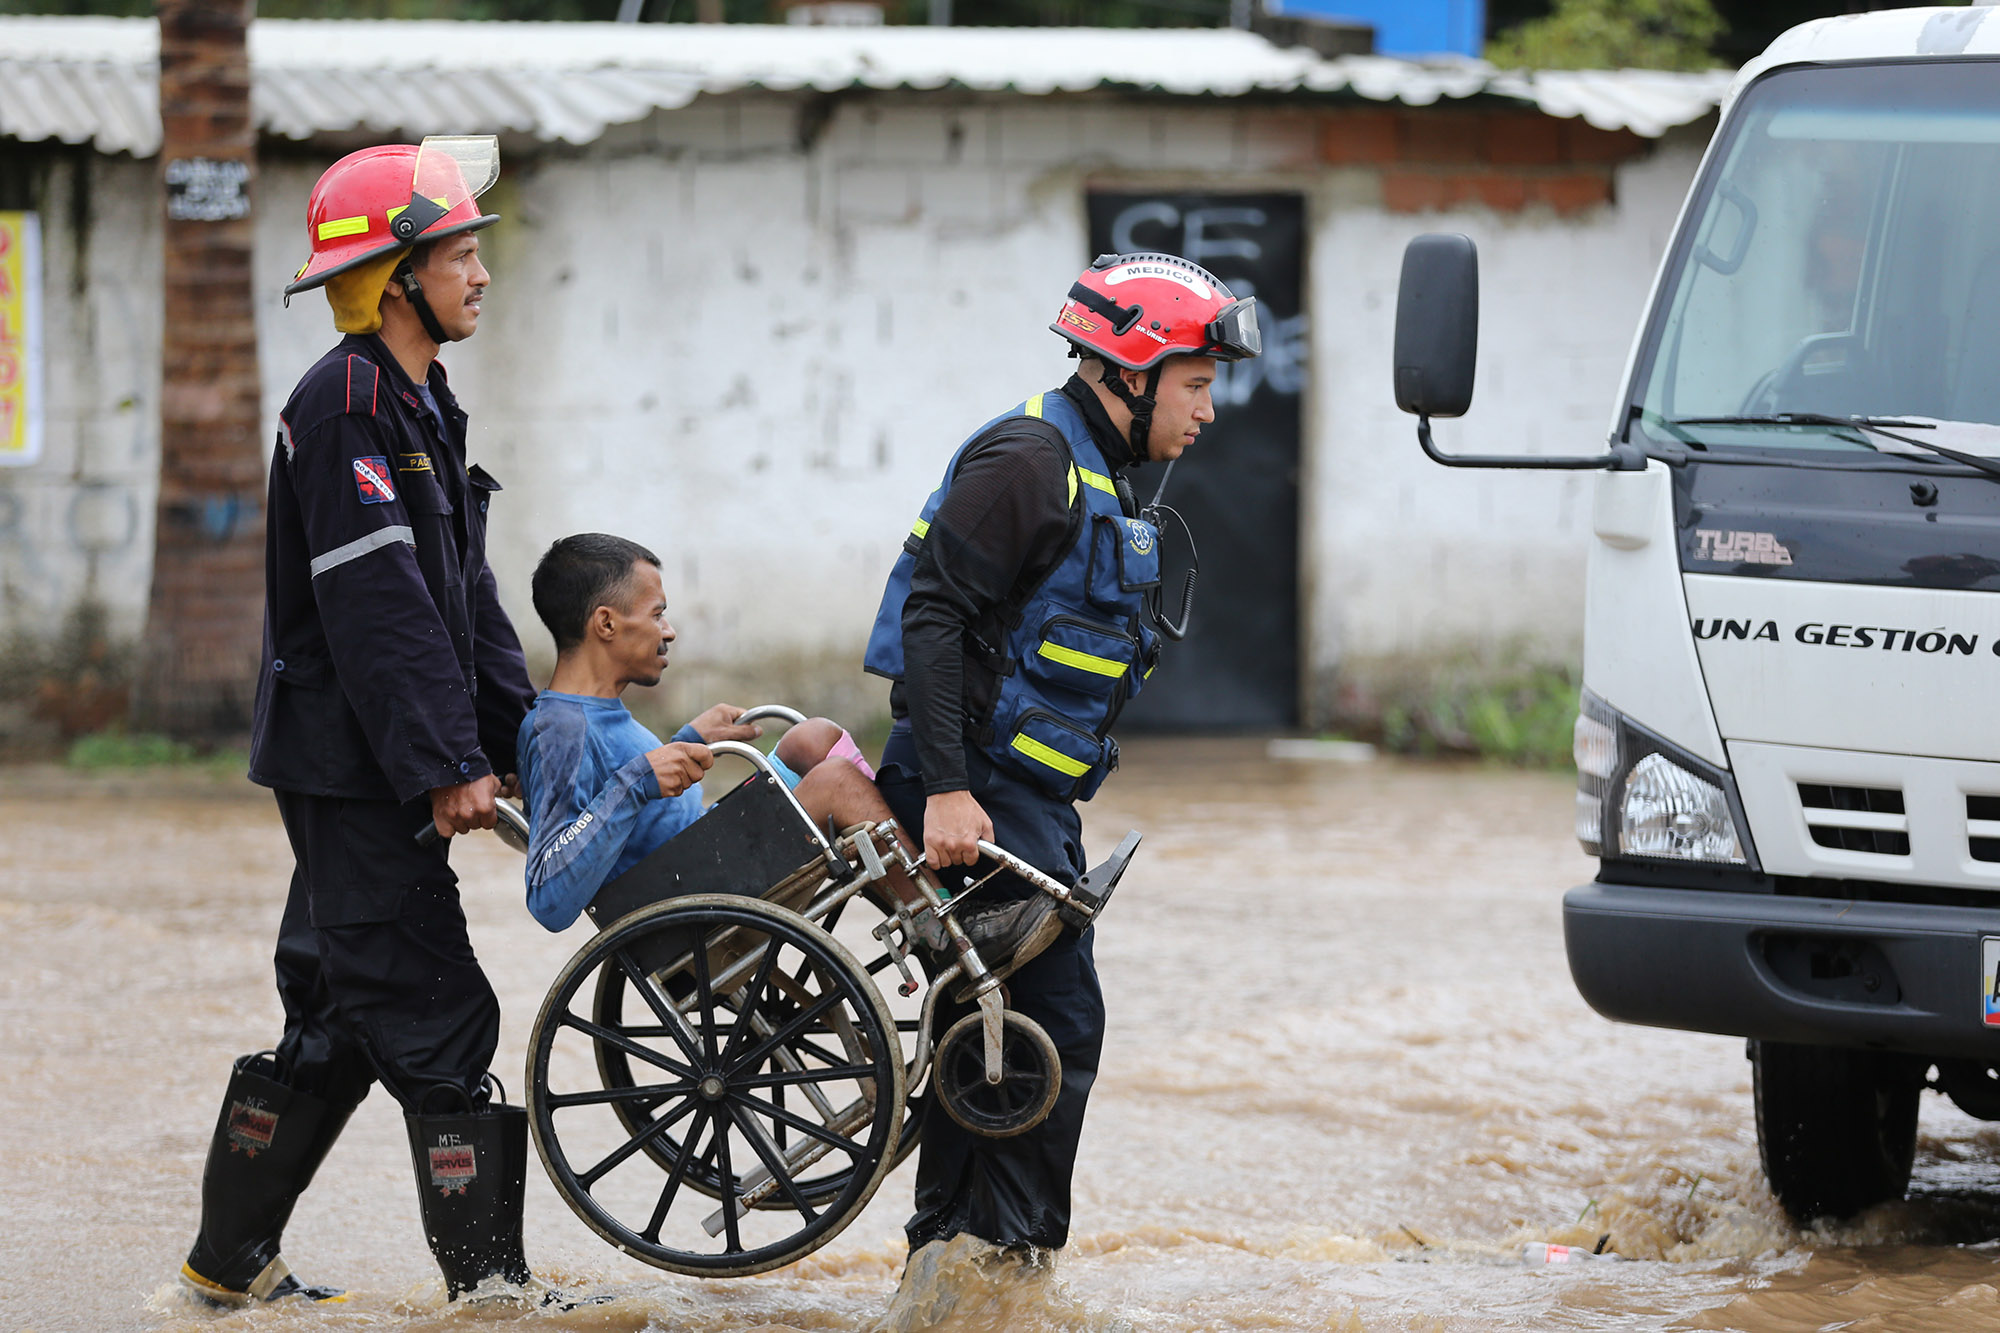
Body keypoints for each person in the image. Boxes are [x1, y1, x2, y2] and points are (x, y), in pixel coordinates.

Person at [179, 137, 549, 1308]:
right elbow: (379, 607)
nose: (481, 271)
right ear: (398, 276)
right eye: (460, 251)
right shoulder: (342, 405)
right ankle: (491, 1294)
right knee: (436, 1009)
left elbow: (463, 597)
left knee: (335, 1012)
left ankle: (223, 1268)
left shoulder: (416, 399)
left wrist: (522, 738)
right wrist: (446, 763)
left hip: (377, 759)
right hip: (355, 767)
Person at [861, 252, 1260, 1267]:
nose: (1206, 410)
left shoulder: (1089, 466)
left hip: (1018, 794)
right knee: (1053, 1024)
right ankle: (1004, 1266)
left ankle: (954, 1261)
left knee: (991, 1024)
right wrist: (945, 788)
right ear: (1132, 372)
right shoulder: (1029, 458)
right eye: (1196, 384)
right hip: (971, 790)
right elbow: (934, 613)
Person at [513, 533, 942, 937]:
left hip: (699, 865)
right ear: (606, 624)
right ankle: (941, 918)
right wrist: (636, 783)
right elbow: (549, 897)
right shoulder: (560, 729)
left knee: (812, 740)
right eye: (657, 614)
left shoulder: (594, 712)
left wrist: (688, 742)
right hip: (688, 906)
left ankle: (915, 899)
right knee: (835, 782)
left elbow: (631, 805)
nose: (669, 631)